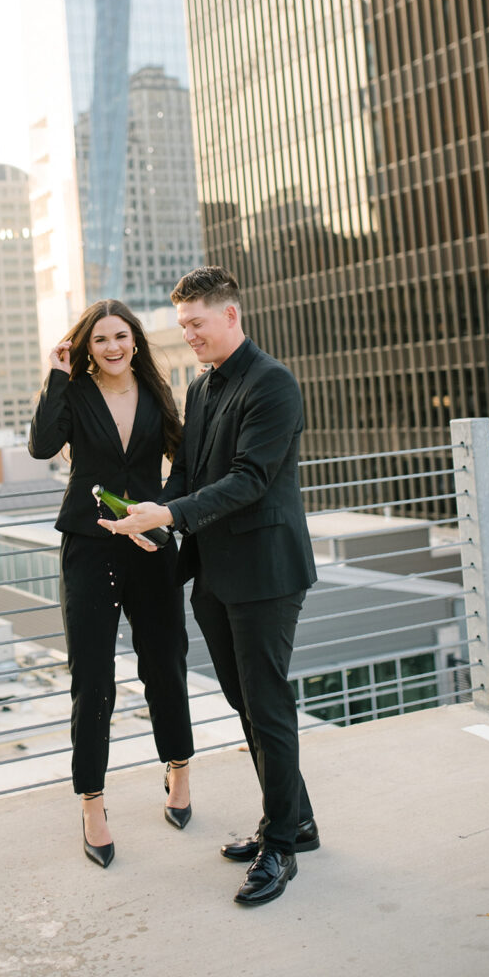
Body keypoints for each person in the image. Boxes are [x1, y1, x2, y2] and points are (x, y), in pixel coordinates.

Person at [98, 266, 318, 905]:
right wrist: (152, 519)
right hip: (216, 573)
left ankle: (280, 846)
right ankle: (295, 820)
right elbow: (190, 473)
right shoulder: (201, 387)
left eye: (196, 322)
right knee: (245, 702)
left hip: (268, 574)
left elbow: (250, 479)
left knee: (268, 705)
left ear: (231, 315)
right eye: (182, 323)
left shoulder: (272, 383)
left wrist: (169, 514)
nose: (187, 333)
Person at [29, 300, 194, 869]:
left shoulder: (157, 391)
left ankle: (179, 770)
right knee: (93, 676)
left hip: (149, 544)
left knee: (165, 662)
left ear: (136, 341)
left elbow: (185, 462)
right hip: (89, 545)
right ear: (85, 347)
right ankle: (93, 803)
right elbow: (42, 447)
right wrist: (53, 375)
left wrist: (163, 510)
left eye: (121, 336)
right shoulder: (73, 394)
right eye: (100, 340)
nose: (113, 347)